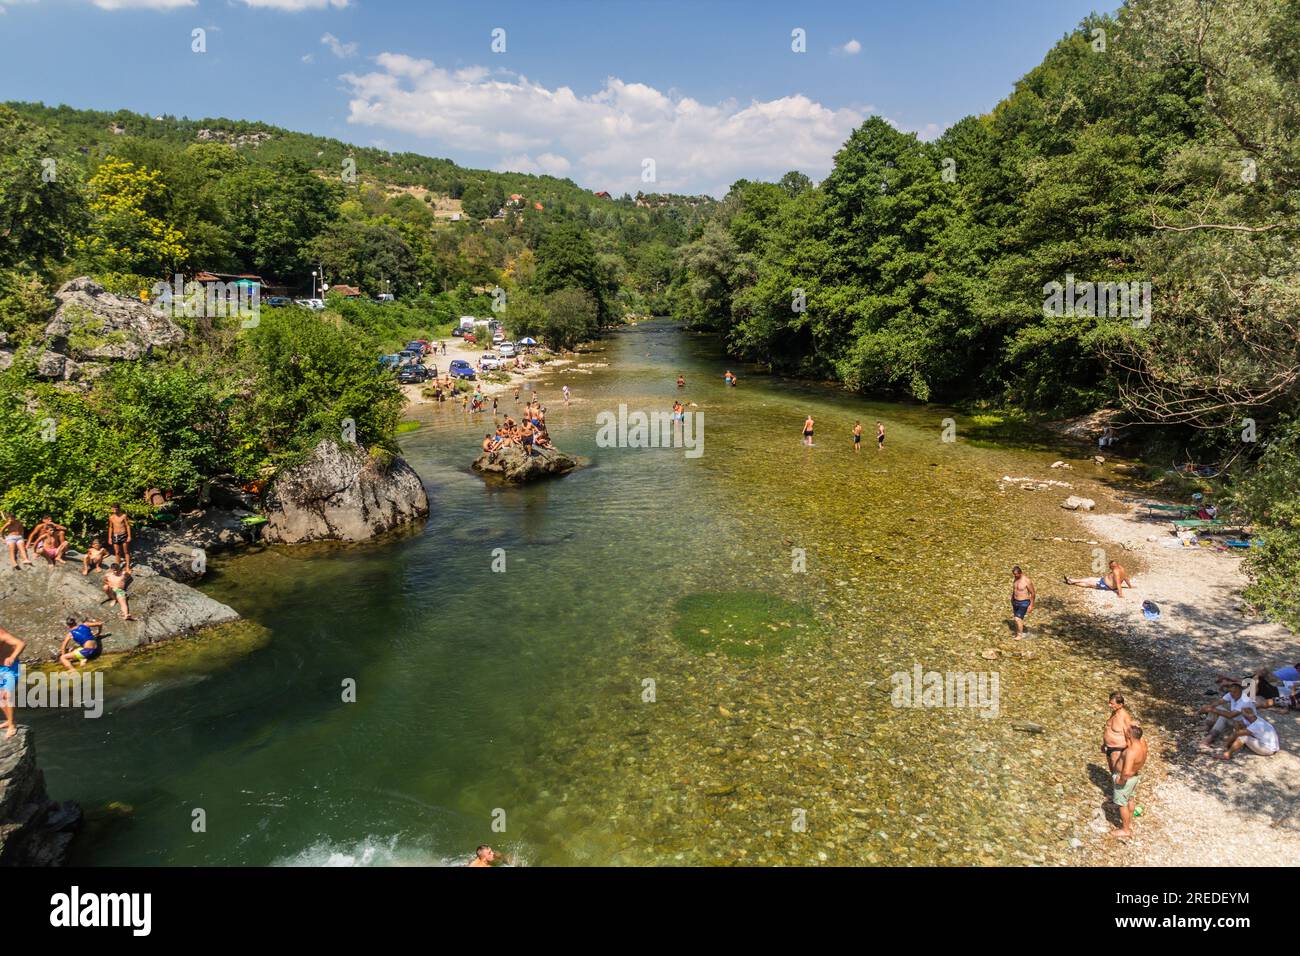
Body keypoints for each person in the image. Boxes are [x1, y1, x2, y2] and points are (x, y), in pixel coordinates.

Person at [1109, 725, 1147, 839]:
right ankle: (1129, 823)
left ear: (1130, 735)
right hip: (1134, 777)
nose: (1125, 732)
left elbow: (1126, 772)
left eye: (1127, 731)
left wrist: (1120, 780)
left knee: (1122, 804)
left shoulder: (1131, 752)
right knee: (1130, 798)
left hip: (1126, 780)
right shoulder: (1142, 745)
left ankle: (1125, 830)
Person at [1198, 681, 1253, 750]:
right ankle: (1207, 725)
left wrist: (1212, 709)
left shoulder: (1245, 701)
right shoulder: (1231, 694)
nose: (1232, 694)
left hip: (1243, 725)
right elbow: (1219, 702)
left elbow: (1231, 715)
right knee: (1216, 707)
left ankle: (1209, 738)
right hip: (1235, 720)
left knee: (1223, 716)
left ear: (1241, 692)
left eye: (1235, 692)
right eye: (1231, 692)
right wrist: (1208, 707)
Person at [0, 626, 23, 739]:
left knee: (7, 695)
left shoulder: (2, 635)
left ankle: (12, 725)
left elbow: (21, 643)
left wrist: (12, 657)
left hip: (10, 668)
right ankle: (9, 721)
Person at [1065, 560, 1131, 598]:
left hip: (1105, 585)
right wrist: (1130, 586)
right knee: (1090, 579)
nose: (1109, 567)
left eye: (1110, 566)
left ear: (1112, 566)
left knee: (1088, 584)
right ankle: (1072, 581)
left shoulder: (1115, 572)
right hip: (1102, 580)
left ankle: (1072, 581)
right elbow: (1126, 577)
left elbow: (1118, 583)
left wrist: (1120, 594)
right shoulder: (1121, 568)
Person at [1102, 692, 1134, 773]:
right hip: (1109, 747)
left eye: (1112, 704)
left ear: (1120, 705)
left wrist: (1129, 754)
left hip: (1118, 749)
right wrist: (1104, 744)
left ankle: (1119, 785)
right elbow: (1109, 729)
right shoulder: (1114, 712)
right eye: (1109, 702)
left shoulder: (1125, 718)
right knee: (1112, 771)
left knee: (1117, 773)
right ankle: (1113, 785)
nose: (1109, 705)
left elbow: (1130, 736)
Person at [1010, 566, 1036, 638]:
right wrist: (1012, 598)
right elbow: (1015, 590)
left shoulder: (1027, 581)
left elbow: (1033, 593)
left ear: (1020, 573)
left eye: (1016, 574)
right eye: (1014, 574)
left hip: (1024, 602)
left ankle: (1019, 635)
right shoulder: (1016, 578)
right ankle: (1019, 631)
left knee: (1017, 619)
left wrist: (1031, 605)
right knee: (1017, 618)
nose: (1015, 576)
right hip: (1015, 601)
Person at [107, 504, 132, 572]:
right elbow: (110, 527)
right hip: (115, 536)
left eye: (116, 509)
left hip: (123, 535)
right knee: (117, 552)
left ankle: (127, 567)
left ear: (119, 508)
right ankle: (117, 567)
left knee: (126, 551)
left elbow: (127, 526)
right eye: (113, 509)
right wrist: (109, 538)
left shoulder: (124, 516)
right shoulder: (111, 517)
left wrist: (129, 536)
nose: (114, 510)